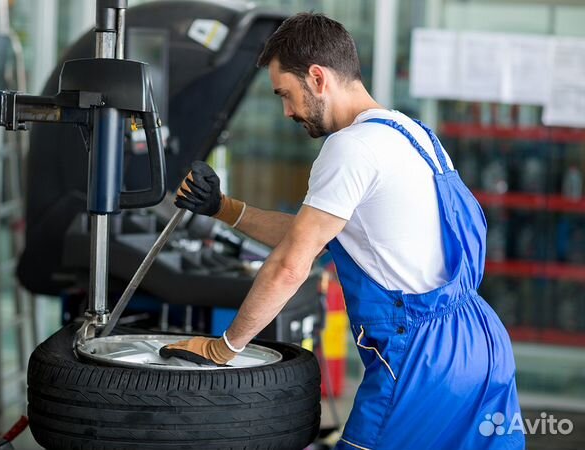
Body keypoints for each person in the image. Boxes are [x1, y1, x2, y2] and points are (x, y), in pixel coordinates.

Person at [162, 12, 525, 450]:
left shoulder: (349, 147)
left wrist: (224, 348)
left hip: (421, 361)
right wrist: (223, 208)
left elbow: (291, 265)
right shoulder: (412, 133)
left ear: (317, 77)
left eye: (286, 94)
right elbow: (310, 235)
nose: (287, 111)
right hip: (481, 343)